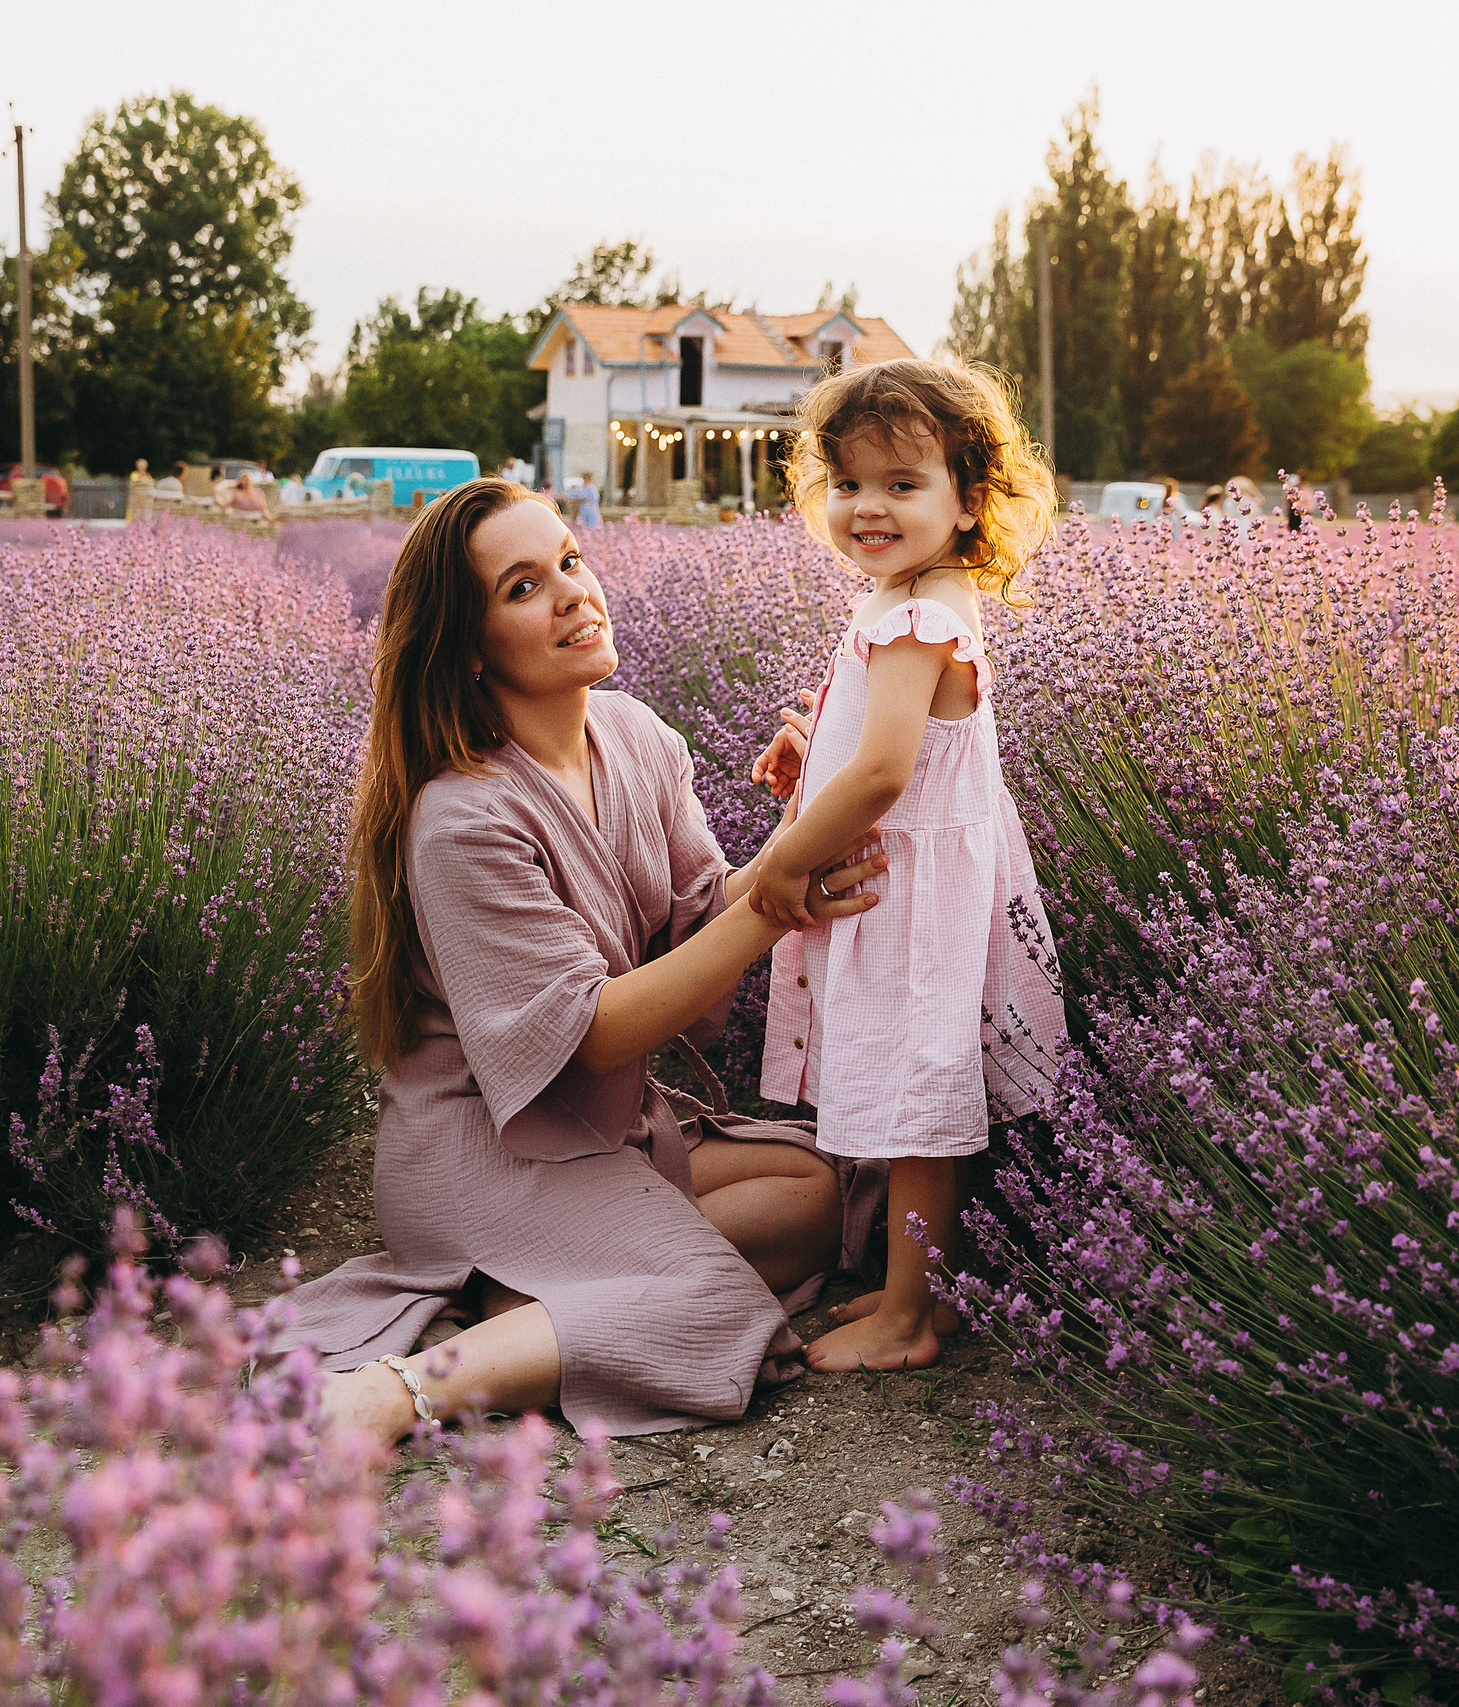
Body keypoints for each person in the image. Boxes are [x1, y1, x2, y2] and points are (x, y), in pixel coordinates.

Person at [285, 479, 892, 1447]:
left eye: (569, 560)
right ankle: (393, 1393)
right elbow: (595, 1035)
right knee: (709, 1305)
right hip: (484, 1150)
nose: (572, 593)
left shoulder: (637, 735)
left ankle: (536, 1301)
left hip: (605, 1133)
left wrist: (794, 836)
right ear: (467, 646)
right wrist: (776, 902)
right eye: (523, 587)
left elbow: (703, 916)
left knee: (821, 1190)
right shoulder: (462, 818)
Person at [745, 357, 1066, 1373]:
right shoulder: (914, 595)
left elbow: (884, 773)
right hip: (918, 883)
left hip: (908, 900)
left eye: (900, 484)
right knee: (911, 1096)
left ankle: (910, 1315)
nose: (866, 508)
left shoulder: (920, 613)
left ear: (970, 501)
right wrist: (813, 749)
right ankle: (918, 1296)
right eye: (846, 484)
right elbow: (888, 742)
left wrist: (782, 863)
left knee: (919, 1112)